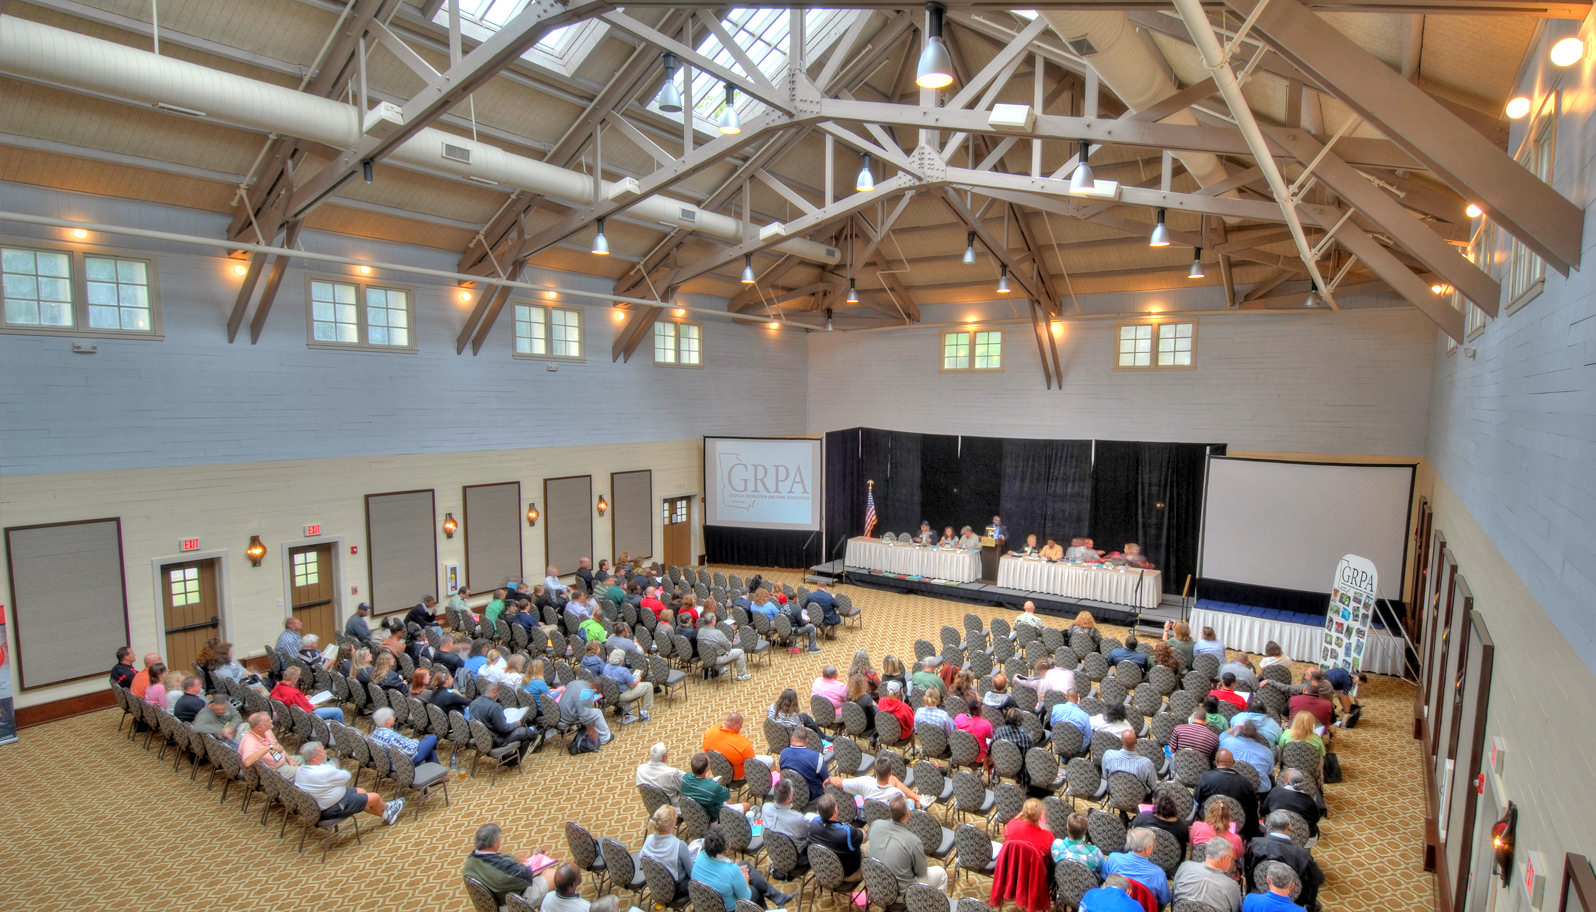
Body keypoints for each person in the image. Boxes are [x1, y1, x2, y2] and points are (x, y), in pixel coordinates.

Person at [296, 740, 403, 825]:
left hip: (324, 801)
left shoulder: (301, 769)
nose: (325, 752)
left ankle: (387, 815)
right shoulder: (325, 771)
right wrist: (332, 768)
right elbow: (346, 776)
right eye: (322, 751)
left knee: (361, 792)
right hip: (332, 808)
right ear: (313, 758)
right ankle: (388, 807)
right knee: (374, 797)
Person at [692, 826, 792, 910]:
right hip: (730, 908)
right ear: (726, 848)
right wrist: (745, 880)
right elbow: (745, 897)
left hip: (706, 904)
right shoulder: (732, 870)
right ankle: (768, 906)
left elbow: (720, 873)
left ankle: (778, 897)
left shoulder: (700, 857)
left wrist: (735, 871)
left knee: (744, 864)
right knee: (755, 891)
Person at [465, 823, 558, 907]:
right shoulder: (501, 871)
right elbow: (526, 878)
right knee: (554, 875)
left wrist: (513, 860)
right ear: (495, 842)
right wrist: (534, 866)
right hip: (511, 903)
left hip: (494, 901)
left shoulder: (471, 861)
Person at [869, 794, 948, 892]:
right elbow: (922, 872)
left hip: (876, 884)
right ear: (908, 814)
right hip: (901, 894)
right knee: (942, 874)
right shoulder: (913, 841)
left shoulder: (875, 825)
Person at [1245, 812, 1324, 911]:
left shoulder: (1254, 844)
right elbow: (1316, 880)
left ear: (1269, 826)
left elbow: (1248, 869)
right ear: (1290, 828)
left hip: (1258, 889)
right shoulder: (1302, 855)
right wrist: (1310, 903)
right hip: (1292, 898)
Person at [1194, 750, 1262, 839]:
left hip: (1208, 820)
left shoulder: (1205, 778)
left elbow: (1197, 799)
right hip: (1237, 827)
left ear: (1216, 762)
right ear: (1233, 763)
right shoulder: (1245, 783)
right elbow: (1253, 808)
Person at [1102, 828, 1171, 906]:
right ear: (1148, 849)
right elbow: (1165, 899)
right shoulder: (1158, 874)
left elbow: (1104, 877)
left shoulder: (1113, 858)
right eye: (1153, 845)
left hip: (1112, 903)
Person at [1173, 838, 1242, 912]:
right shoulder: (1231, 886)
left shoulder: (1184, 867)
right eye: (1231, 859)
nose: (1232, 863)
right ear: (1224, 858)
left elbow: (1174, 899)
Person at [470, 680, 536, 758]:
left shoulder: (473, 703)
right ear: (495, 691)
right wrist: (516, 724)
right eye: (497, 693)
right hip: (497, 740)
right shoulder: (494, 707)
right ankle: (513, 760)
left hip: (481, 739)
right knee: (527, 731)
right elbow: (503, 729)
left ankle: (508, 757)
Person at [641, 805, 695, 898]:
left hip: (654, 885)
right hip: (676, 890)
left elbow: (642, 863)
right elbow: (692, 873)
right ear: (672, 823)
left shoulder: (648, 840)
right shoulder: (679, 845)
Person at [830, 755, 925, 806]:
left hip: (871, 815)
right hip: (891, 820)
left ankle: (918, 797)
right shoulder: (897, 794)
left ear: (875, 771)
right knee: (911, 800)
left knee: (893, 780)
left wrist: (829, 779)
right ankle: (918, 798)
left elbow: (839, 782)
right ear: (890, 772)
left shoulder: (865, 782)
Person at [809, 793, 865, 876]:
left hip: (823, 870)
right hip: (847, 875)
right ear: (835, 811)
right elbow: (864, 837)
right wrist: (856, 829)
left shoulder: (813, 823)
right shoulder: (847, 832)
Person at [271, 665, 345, 723]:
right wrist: (322, 704)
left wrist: (303, 698)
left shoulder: (276, 688)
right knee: (338, 711)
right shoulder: (294, 693)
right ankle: (341, 734)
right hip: (302, 717)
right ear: (293, 679)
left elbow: (289, 700)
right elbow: (309, 708)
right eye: (297, 678)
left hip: (287, 716)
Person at [681, 752, 742, 821]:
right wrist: (711, 782)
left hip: (695, 815)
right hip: (713, 816)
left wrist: (707, 780)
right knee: (746, 806)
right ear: (707, 769)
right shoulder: (713, 787)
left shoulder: (685, 778)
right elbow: (726, 796)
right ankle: (731, 820)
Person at [1262, 770, 1323, 839]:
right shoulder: (1309, 800)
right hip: (1302, 837)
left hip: (1275, 832)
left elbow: (1264, 811)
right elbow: (1316, 819)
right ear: (1303, 783)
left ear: (1287, 781)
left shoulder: (1275, 791)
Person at [1220, 721, 1276, 794]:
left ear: (1239, 732)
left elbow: (1221, 737)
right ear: (1256, 734)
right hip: (1258, 792)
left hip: (1229, 787)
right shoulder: (1267, 752)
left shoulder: (1226, 742)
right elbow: (1269, 771)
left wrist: (1234, 729)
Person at [371, 706, 440, 765]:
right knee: (432, 738)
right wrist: (415, 742)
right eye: (392, 716)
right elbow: (410, 751)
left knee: (428, 748)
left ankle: (438, 773)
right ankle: (438, 771)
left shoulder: (374, 733)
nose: (394, 718)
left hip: (393, 760)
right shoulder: (391, 737)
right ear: (387, 721)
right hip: (406, 761)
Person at [239, 712, 298, 778]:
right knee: (306, 773)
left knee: (305, 759)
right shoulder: (249, 742)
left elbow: (277, 745)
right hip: (275, 772)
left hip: (281, 759)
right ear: (259, 728)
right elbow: (247, 762)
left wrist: (290, 760)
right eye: (268, 721)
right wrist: (269, 747)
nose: (271, 721)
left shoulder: (267, 730)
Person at [703, 712, 761, 781]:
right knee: (770, 761)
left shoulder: (710, 732)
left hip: (717, 771)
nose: (741, 727)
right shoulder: (743, 744)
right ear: (734, 725)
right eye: (740, 725)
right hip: (736, 777)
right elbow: (752, 765)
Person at [1102, 730, 1158, 798]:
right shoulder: (1146, 764)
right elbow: (1153, 786)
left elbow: (1106, 776)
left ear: (1120, 741)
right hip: (1140, 799)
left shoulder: (1108, 755)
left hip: (1115, 794)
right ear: (1136, 742)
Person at [557, 676, 609, 749]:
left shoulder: (574, 682)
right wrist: (591, 730)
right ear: (596, 689)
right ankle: (604, 738)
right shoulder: (586, 692)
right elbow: (584, 715)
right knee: (597, 712)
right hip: (568, 717)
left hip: (559, 713)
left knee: (588, 710)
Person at [604, 648, 653, 724]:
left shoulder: (606, 667)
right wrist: (639, 678)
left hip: (610, 694)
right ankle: (644, 710)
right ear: (621, 660)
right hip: (622, 694)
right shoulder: (623, 670)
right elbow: (632, 685)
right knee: (648, 686)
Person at [1190, 792, 1245, 859]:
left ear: (1209, 813)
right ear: (1228, 817)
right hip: (1224, 869)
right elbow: (1237, 857)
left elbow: (1192, 848)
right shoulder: (1236, 840)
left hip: (1199, 866)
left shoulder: (1196, 827)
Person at [698, 613, 751, 681]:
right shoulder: (717, 633)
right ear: (713, 621)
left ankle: (723, 670)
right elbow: (728, 647)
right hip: (718, 658)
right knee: (740, 652)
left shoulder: (700, 631)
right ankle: (742, 675)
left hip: (705, 657)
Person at [762, 779, 811, 851]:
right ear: (789, 798)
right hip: (795, 855)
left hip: (772, 850)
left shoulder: (765, 807)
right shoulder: (798, 818)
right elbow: (807, 833)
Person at [954, 696, 993, 763]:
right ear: (975, 712)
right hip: (979, 757)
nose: (983, 711)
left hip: (960, 753)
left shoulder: (958, 717)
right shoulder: (986, 724)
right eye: (981, 709)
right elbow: (990, 737)